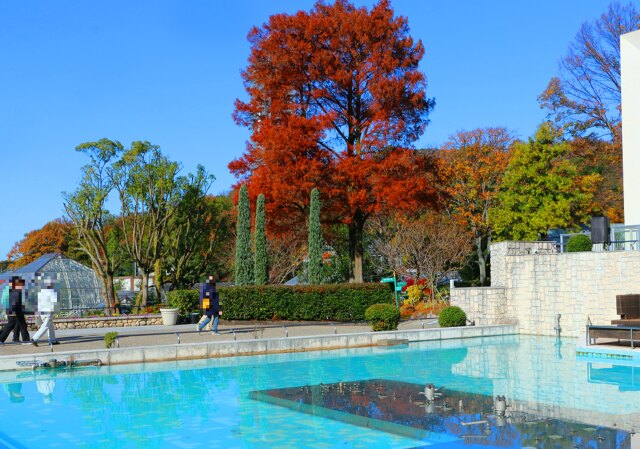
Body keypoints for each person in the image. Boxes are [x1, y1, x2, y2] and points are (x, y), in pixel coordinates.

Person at [0, 277, 30, 344]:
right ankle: (25, 340)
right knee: (17, 324)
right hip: (14, 309)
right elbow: (14, 301)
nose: (22, 285)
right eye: (21, 283)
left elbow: (3, 301)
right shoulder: (14, 290)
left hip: (13, 309)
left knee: (17, 324)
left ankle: (16, 339)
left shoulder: (10, 289)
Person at [30, 278, 59, 346]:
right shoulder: (52, 292)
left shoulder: (41, 292)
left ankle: (52, 340)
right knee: (45, 326)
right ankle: (34, 339)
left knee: (50, 326)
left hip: (42, 312)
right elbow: (54, 303)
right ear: (51, 284)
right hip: (48, 312)